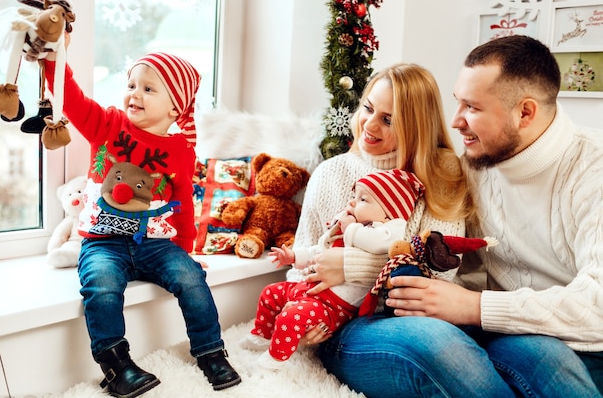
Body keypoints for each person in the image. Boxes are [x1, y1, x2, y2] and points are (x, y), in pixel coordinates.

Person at [309, 36, 603, 397]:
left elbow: (441, 267)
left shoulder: (591, 169)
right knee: (443, 347)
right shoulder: (472, 165)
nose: (456, 121)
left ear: (525, 113)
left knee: (550, 361)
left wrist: (474, 307)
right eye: (457, 102)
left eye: (473, 107)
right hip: (439, 324)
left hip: (546, 333)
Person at [43, 48, 241, 397]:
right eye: (132, 84)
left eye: (149, 89)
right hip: (102, 241)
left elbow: (182, 204)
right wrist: (51, 58)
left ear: (175, 107)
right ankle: (116, 366)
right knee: (101, 285)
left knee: (191, 278)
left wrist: (184, 252)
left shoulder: (180, 150)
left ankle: (211, 351)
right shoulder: (107, 124)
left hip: (155, 244)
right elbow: (70, 97)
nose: (135, 93)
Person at [239, 169, 426, 372]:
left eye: (363, 199)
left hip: (332, 307)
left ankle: (273, 362)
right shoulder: (345, 230)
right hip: (308, 289)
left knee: (291, 317)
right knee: (271, 293)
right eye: (353, 197)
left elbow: (379, 243)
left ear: (390, 214)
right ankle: (262, 335)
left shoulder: (388, 230)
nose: (352, 203)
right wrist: (294, 257)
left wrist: (351, 229)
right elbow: (319, 251)